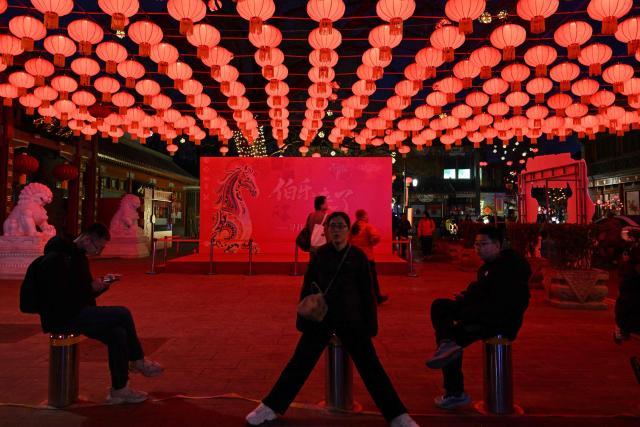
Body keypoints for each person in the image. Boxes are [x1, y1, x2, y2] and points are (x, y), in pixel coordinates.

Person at [246, 212, 419, 427]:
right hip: (322, 320)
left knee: (372, 368)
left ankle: (397, 415)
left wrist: (371, 325)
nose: (336, 230)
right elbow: (308, 287)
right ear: (326, 230)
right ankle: (270, 407)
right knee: (299, 363)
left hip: (351, 320)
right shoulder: (319, 255)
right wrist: (302, 320)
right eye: (332, 226)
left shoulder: (358, 257)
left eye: (341, 226)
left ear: (348, 230)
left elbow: (367, 293)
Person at [37, 223, 163, 404]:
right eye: (99, 247)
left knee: (118, 333)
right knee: (122, 313)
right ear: (87, 239)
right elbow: (59, 295)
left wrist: (98, 287)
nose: (99, 252)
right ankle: (137, 360)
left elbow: (82, 290)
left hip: (79, 311)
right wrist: (89, 288)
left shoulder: (78, 256)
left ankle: (120, 389)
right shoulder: (58, 257)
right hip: (64, 316)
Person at [425, 226, 531, 409]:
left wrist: (467, 309)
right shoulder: (487, 268)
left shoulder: (510, 268)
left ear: (497, 245)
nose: (478, 248)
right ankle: (447, 344)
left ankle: (454, 390)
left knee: (452, 337)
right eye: (476, 244)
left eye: (483, 244)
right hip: (480, 314)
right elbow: (482, 292)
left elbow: (500, 304)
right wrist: (467, 297)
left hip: (497, 322)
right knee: (440, 307)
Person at [350, 209, 388, 304]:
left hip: (355, 257)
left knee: (356, 279)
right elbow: (376, 237)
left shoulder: (353, 228)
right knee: (372, 280)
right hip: (367, 257)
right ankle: (377, 298)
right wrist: (371, 243)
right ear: (363, 216)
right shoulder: (367, 227)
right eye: (366, 215)